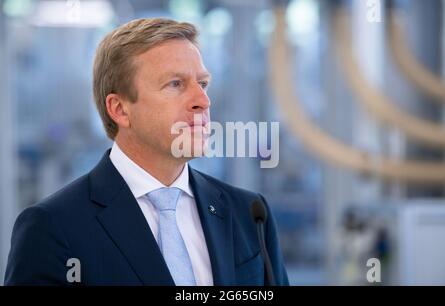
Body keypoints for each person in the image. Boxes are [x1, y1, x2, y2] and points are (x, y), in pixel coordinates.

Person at [4, 18, 289, 286]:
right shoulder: (54, 228)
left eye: (202, 84)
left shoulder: (249, 213)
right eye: (175, 84)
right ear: (119, 109)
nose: (202, 101)